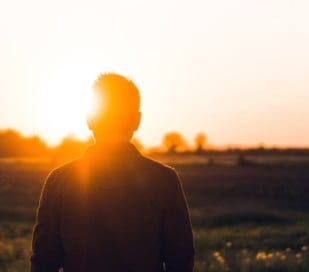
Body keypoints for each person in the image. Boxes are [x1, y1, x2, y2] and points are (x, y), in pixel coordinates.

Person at [31, 73, 195, 272]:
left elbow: (43, 262)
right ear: (137, 120)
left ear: (89, 119)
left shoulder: (59, 182)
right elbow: (181, 259)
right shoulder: (164, 181)